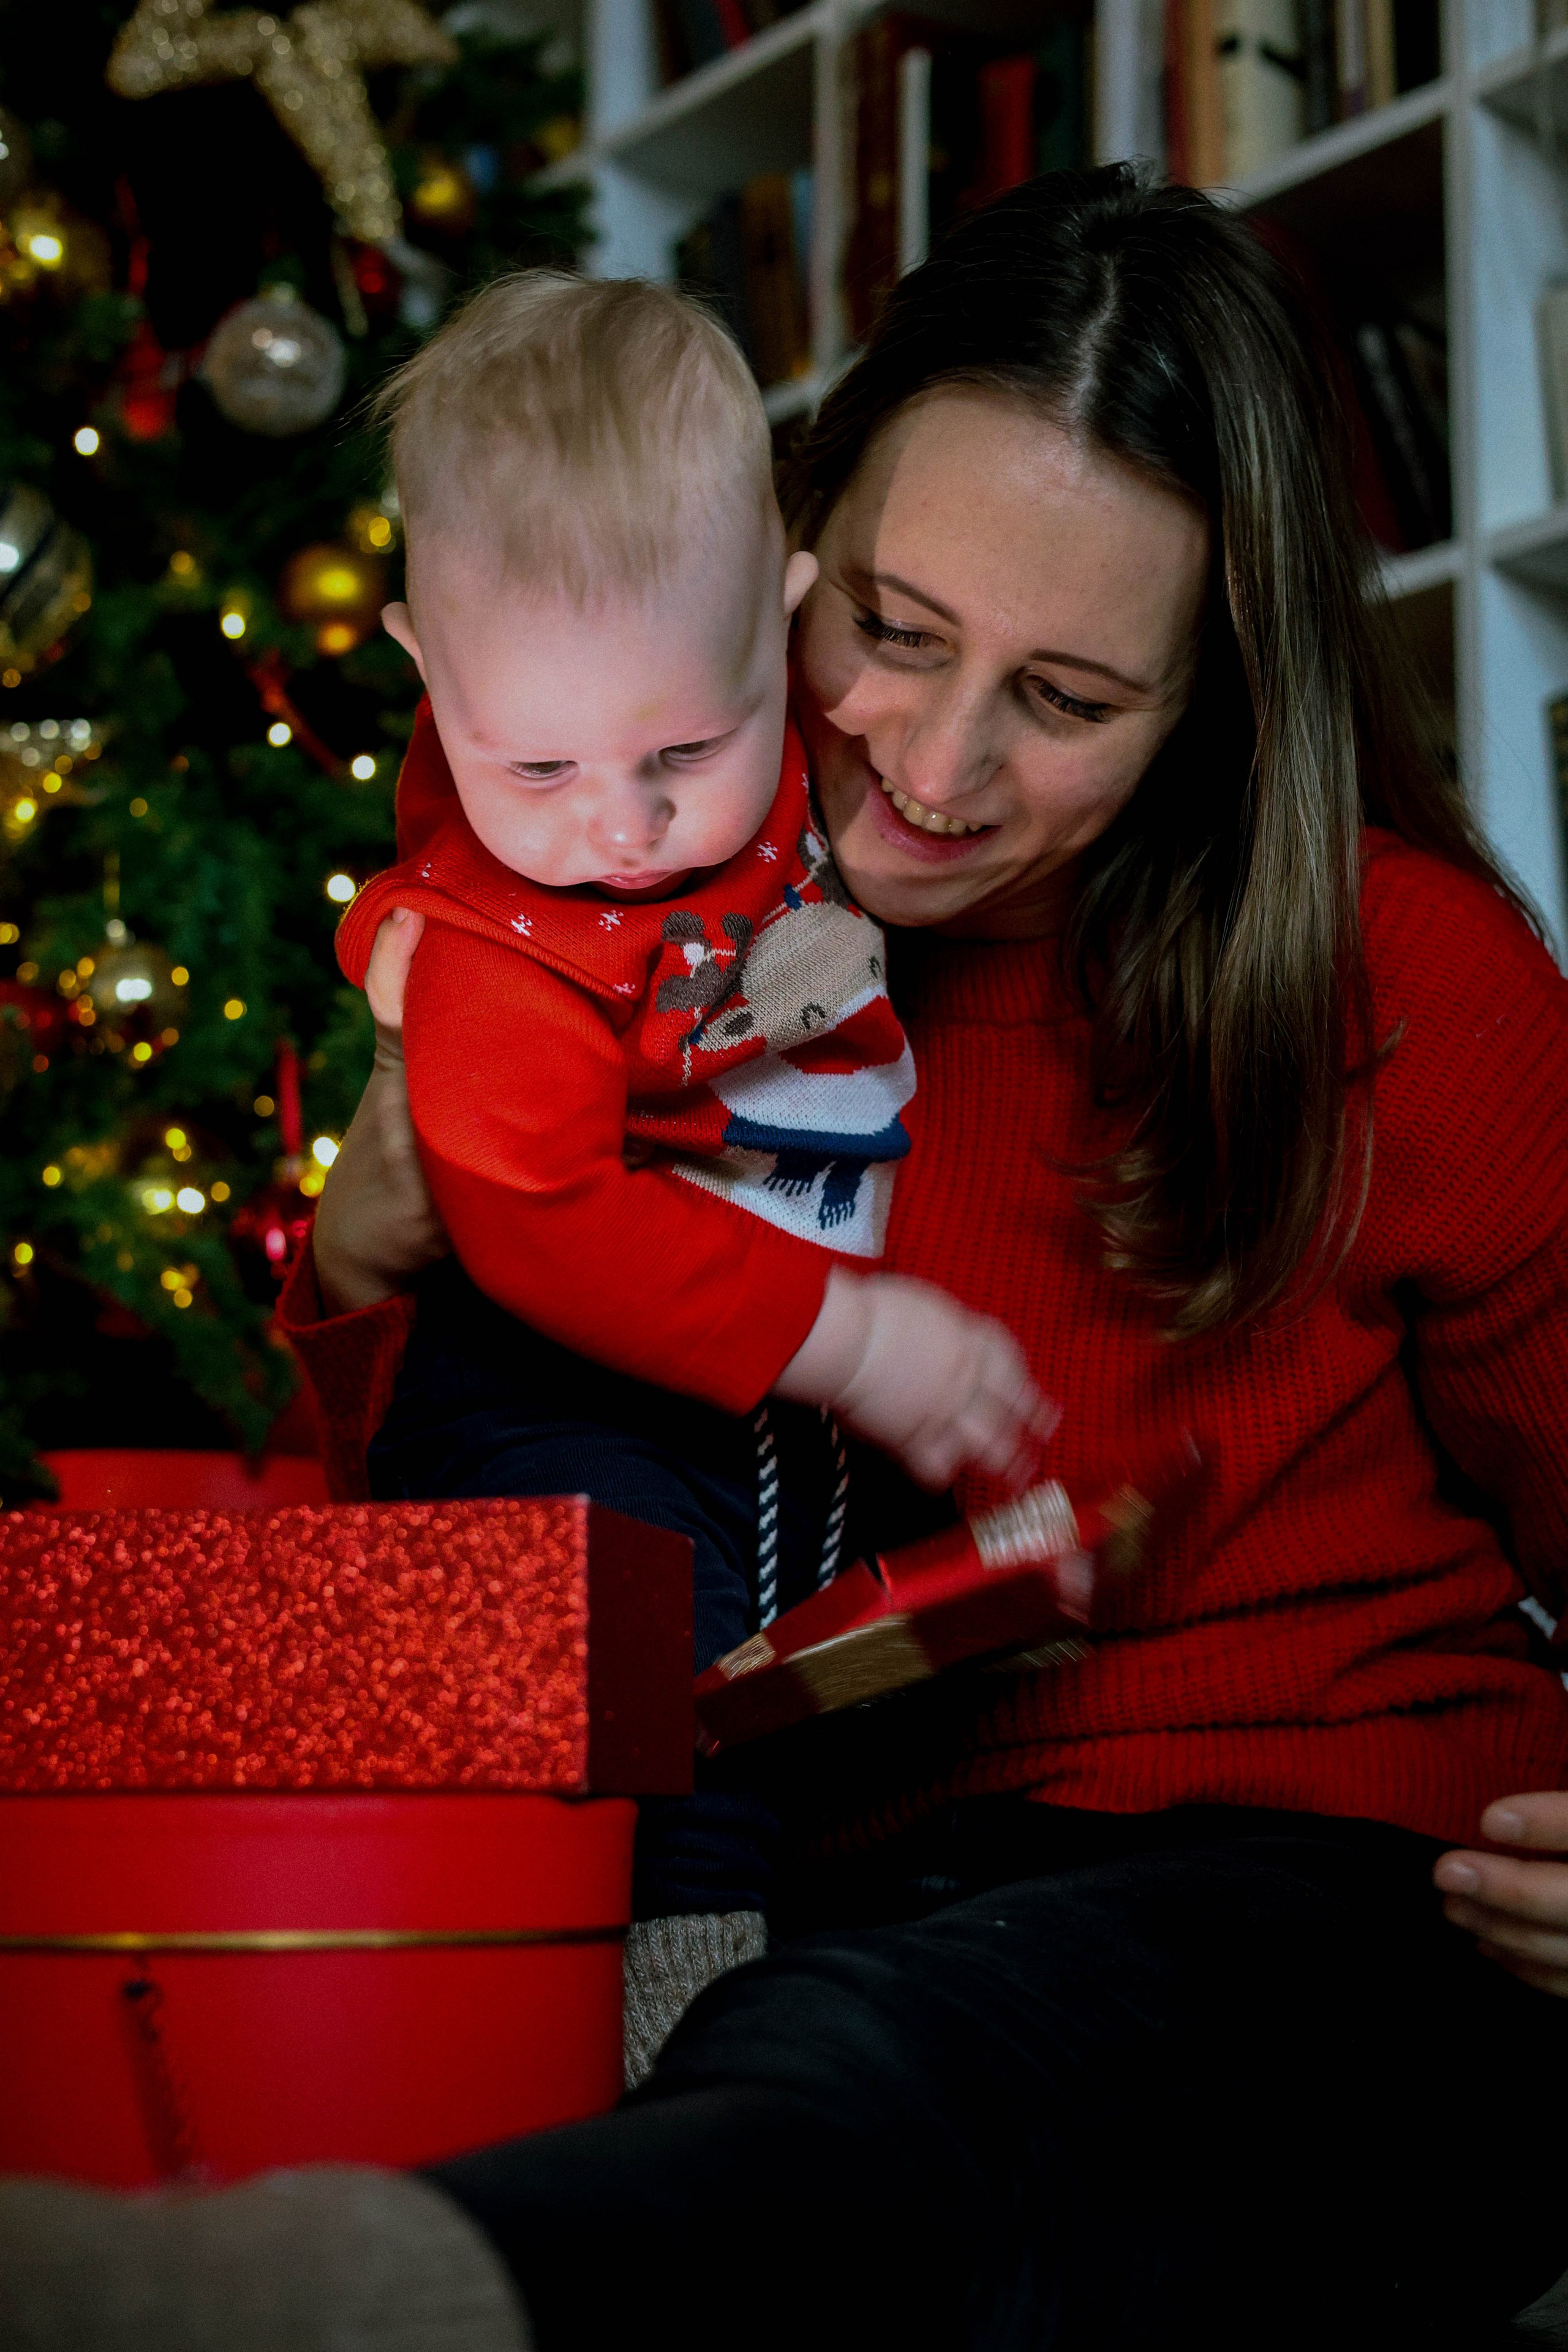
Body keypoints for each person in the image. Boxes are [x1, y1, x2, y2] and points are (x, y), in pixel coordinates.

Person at [6, 162, 1568, 2352]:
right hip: (808, 1898)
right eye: (894, 637)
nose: (932, 768)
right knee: (739, 2050)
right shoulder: (612, 924)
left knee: (906, 2087)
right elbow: (447, 1620)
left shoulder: (1414, 986)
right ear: (781, 557)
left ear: (1212, 698)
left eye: (1070, 698)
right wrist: (366, 1285)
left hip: (1317, 1894)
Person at [333, 271, 1052, 1996]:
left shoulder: (791, 740)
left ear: (784, 625)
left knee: (809, 1665)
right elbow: (544, 1223)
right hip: (552, 1381)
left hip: (746, 1376)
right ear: (430, 671)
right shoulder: (497, 954)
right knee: (645, 1680)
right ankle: (669, 1992)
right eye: (535, 771)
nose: (624, 828)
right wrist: (851, 1337)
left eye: (687, 746)